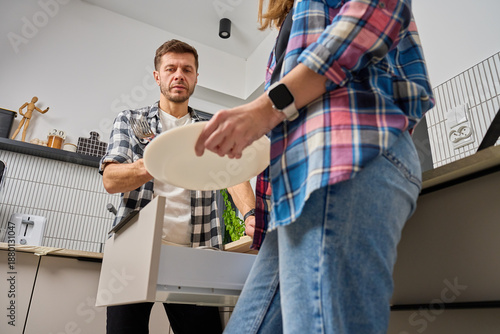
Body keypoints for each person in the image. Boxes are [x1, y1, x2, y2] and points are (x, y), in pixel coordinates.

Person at [195, 0, 435, 333]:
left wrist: (265, 110)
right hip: (303, 188)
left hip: (344, 156)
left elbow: (371, 16)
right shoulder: (294, 19)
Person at [100, 39, 256, 334]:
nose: (178, 75)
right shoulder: (131, 120)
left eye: (187, 69)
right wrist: (156, 162)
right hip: (135, 252)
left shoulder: (209, 128)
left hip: (196, 254)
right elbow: (111, 179)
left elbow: (233, 175)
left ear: (196, 77)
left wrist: (250, 214)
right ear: (157, 76)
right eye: (170, 68)